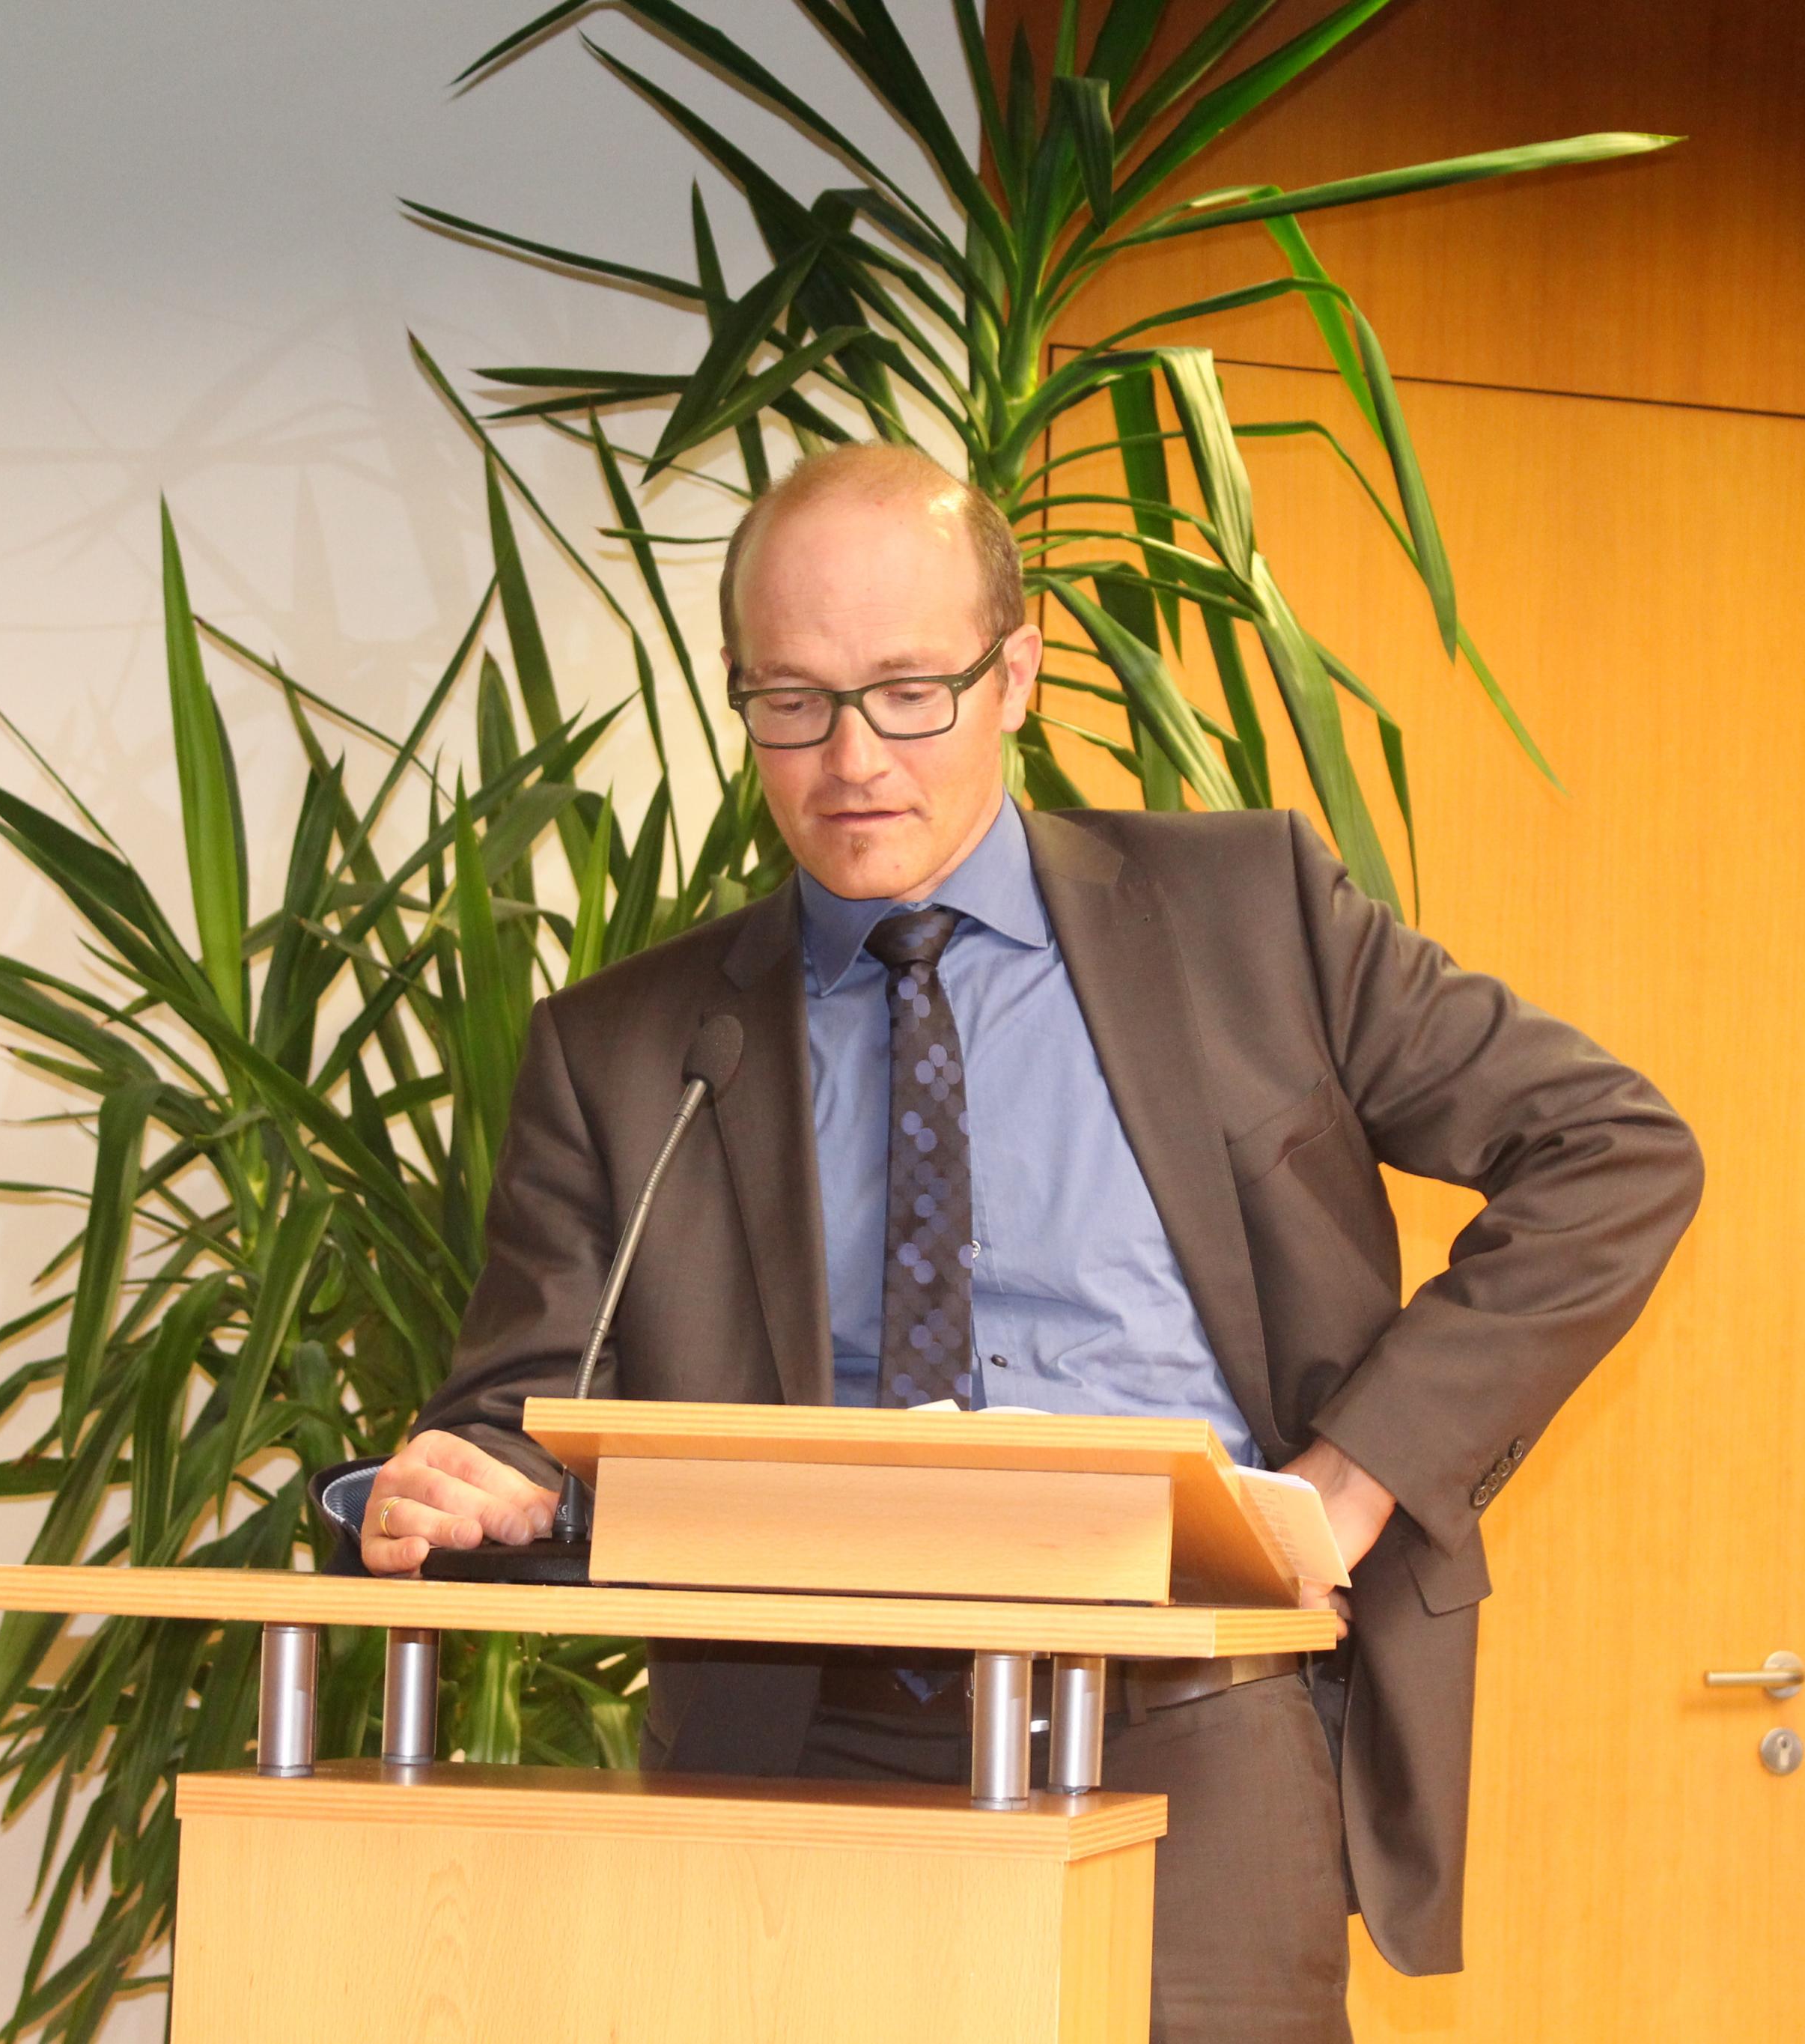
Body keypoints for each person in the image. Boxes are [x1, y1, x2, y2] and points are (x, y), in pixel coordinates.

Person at [359, 442, 1702, 2041]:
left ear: (1014, 674)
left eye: (906, 692)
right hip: (795, 1743)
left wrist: (1350, 1487)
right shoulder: (630, 1047)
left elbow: (1612, 1151)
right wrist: (470, 1477)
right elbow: (517, 1407)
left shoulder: (1245, 915)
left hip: (1191, 1722)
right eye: (790, 701)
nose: (850, 758)